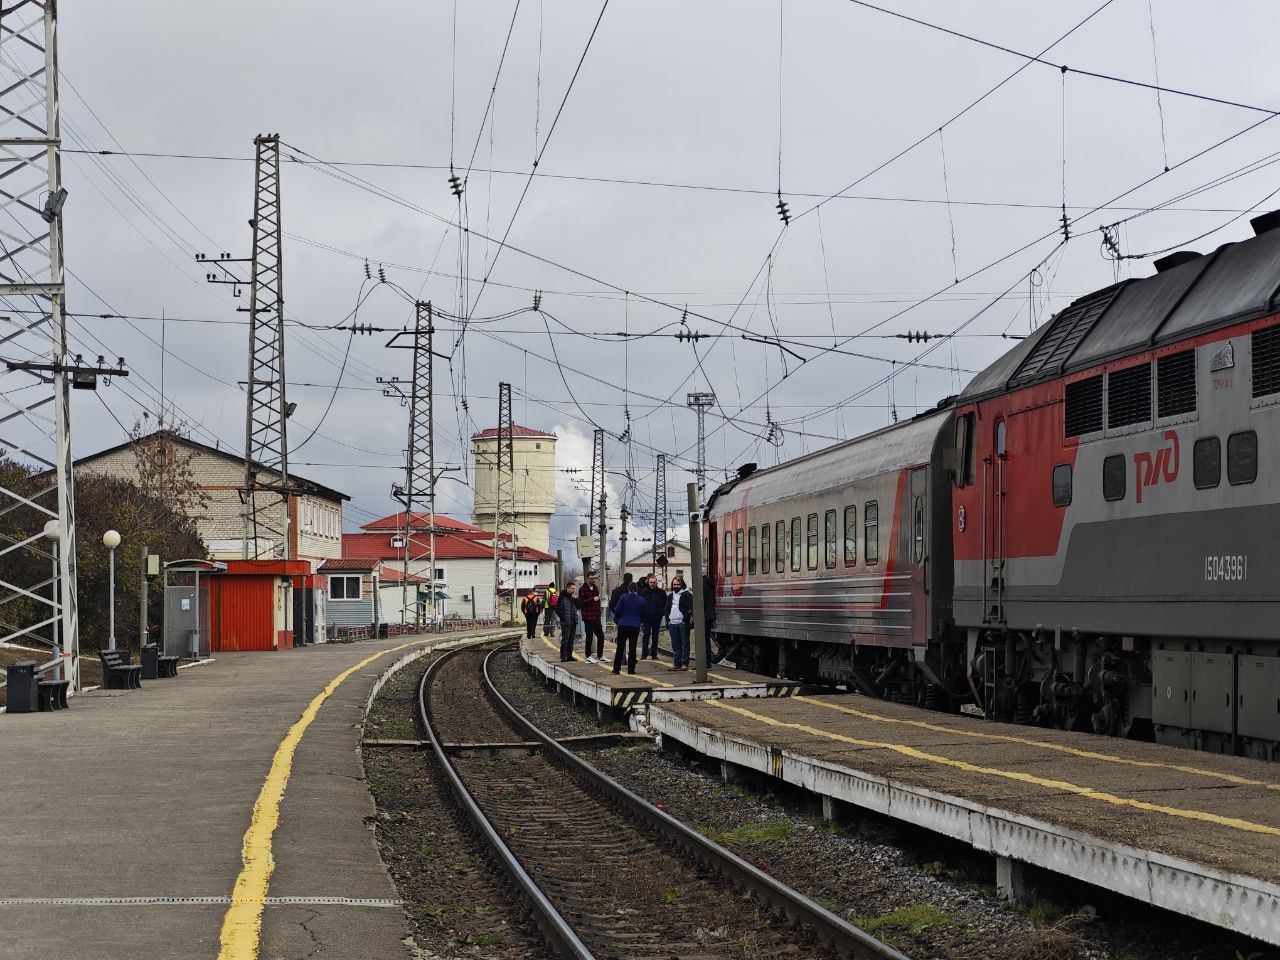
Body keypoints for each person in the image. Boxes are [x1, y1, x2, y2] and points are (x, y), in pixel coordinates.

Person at [611, 580, 646, 674]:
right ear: (637, 589)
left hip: (623, 624)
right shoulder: (641, 599)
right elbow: (644, 613)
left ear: (628, 589)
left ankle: (616, 669)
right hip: (635, 626)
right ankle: (631, 670)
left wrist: (619, 619)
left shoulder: (623, 597)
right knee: (632, 647)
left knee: (620, 647)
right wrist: (640, 621)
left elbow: (617, 609)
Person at [666, 575, 694, 671]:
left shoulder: (687, 595)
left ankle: (685, 663)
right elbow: (667, 608)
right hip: (672, 623)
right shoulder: (670, 595)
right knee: (675, 644)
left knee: (684, 644)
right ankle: (677, 663)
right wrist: (668, 619)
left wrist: (685, 619)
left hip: (682, 623)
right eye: (674, 584)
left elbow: (691, 608)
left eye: (678, 584)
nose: (676, 586)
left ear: (681, 584)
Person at [578, 570, 605, 662]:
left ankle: (600, 655)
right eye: (591, 578)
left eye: (594, 578)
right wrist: (592, 599)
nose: (593, 580)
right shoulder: (583, 589)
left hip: (596, 616)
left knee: (601, 636)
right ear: (587, 579)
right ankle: (588, 656)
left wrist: (599, 611)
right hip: (588, 617)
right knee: (589, 636)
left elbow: (597, 601)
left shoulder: (596, 588)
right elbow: (581, 603)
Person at [640, 573, 666, 659]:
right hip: (646, 618)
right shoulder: (644, 592)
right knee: (646, 636)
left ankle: (654, 654)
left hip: (657, 617)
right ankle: (644, 654)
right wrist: (641, 619)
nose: (652, 584)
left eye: (654, 582)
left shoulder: (661, 593)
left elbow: (665, 603)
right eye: (651, 582)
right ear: (648, 583)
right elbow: (641, 606)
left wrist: (662, 612)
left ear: (656, 583)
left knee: (655, 636)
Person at [556, 583, 580, 662]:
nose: (574, 590)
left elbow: (578, 607)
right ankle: (563, 656)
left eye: (574, 588)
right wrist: (563, 618)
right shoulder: (562, 597)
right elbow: (558, 609)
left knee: (571, 640)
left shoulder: (573, 597)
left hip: (573, 621)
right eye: (572, 588)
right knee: (565, 639)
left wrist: (575, 599)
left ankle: (569, 655)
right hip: (566, 621)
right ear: (568, 588)